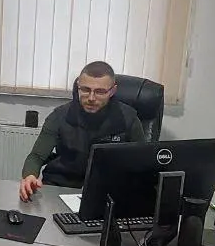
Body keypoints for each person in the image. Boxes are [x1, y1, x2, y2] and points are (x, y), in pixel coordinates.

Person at [19, 60, 145, 202]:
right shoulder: (59, 116)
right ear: (78, 86)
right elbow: (36, 156)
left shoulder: (128, 118)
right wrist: (29, 176)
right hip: (61, 187)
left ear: (112, 91)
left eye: (100, 92)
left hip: (108, 192)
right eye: (85, 89)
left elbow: (143, 161)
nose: (91, 98)